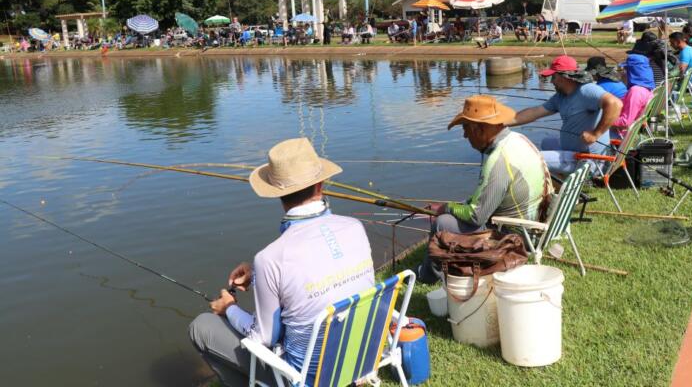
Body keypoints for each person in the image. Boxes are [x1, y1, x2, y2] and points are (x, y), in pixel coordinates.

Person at [189, 138, 375, 387]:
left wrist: (229, 307)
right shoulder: (354, 228)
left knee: (201, 326)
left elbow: (263, 337)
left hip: (308, 379)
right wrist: (258, 277)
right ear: (320, 185)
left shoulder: (271, 258)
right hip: (360, 359)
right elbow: (320, 267)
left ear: (277, 194)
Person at [417, 95, 552, 283]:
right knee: (453, 213)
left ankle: (427, 276)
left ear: (479, 129)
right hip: (534, 225)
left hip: (515, 237)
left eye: (465, 129)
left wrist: (445, 208)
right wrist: (458, 205)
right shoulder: (517, 139)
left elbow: (476, 216)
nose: (465, 136)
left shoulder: (498, 160)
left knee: (442, 223)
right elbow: (484, 199)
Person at [504, 55, 623, 175]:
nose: (551, 81)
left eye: (553, 77)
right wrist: (502, 122)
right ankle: (555, 175)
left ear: (564, 77)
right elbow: (535, 112)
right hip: (573, 152)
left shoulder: (587, 90)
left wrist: (595, 134)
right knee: (546, 142)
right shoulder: (560, 97)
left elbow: (615, 104)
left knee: (532, 159)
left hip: (588, 160)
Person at [613, 54, 654, 137]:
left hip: (619, 133)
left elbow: (626, 122)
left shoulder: (635, 91)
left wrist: (605, 119)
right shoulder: (646, 89)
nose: (623, 73)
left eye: (625, 70)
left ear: (633, 71)